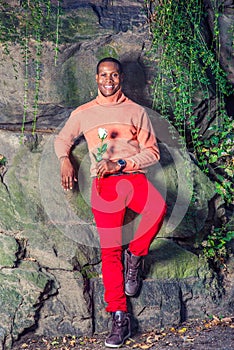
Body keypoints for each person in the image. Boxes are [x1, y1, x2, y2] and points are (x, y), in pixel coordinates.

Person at [54, 57, 166, 348]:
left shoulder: (135, 111)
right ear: (96, 78)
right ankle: (119, 316)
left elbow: (152, 153)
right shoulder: (84, 113)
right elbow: (62, 139)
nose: (108, 80)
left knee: (158, 209)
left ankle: (136, 257)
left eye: (114, 75)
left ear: (120, 78)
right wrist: (65, 159)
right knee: (110, 249)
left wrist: (122, 163)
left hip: (131, 177)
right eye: (104, 75)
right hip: (104, 186)